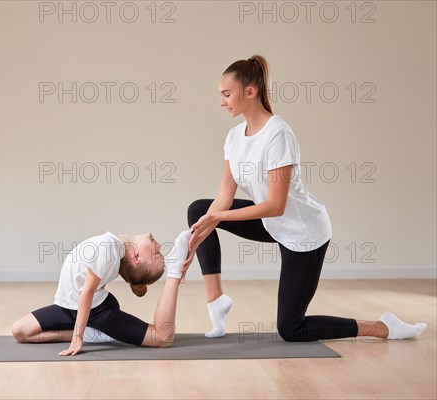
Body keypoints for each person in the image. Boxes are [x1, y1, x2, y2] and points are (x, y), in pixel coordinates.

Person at [181, 54, 427, 342]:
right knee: (199, 210)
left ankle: (383, 327)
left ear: (250, 92)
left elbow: (276, 205)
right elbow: (224, 196)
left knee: (291, 328)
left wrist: (218, 217)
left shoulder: (278, 135)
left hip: (303, 233)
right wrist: (196, 237)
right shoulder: (234, 137)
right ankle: (215, 300)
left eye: (226, 94)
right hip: (272, 223)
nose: (221, 102)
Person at [12, 230, 191, 356]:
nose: (158, 245)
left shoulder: (108, 250)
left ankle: (174, 271)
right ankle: (94, 332)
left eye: (157, 253)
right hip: (70, 306)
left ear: (136, 258)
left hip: (97, 311)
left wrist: (77, 339)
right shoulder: (113, 248)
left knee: (162, 337)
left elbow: (88, 293)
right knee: (20, 331)